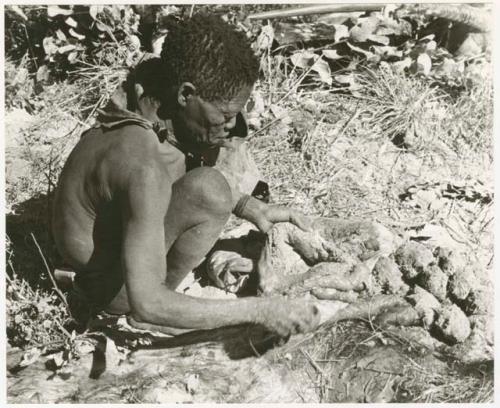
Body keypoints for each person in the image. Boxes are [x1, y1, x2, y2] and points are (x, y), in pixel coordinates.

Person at [52, 14, 319, 337]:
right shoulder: (143, 166)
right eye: (225, 115)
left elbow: (170, 166)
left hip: (115, 243)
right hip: (107, 287)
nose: (234, 126)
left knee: (213, 187)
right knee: (211, 190)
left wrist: (250, 207)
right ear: (185, 94)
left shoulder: (153, 93)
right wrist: (261, 311)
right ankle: (166, 306)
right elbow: (146, 301)